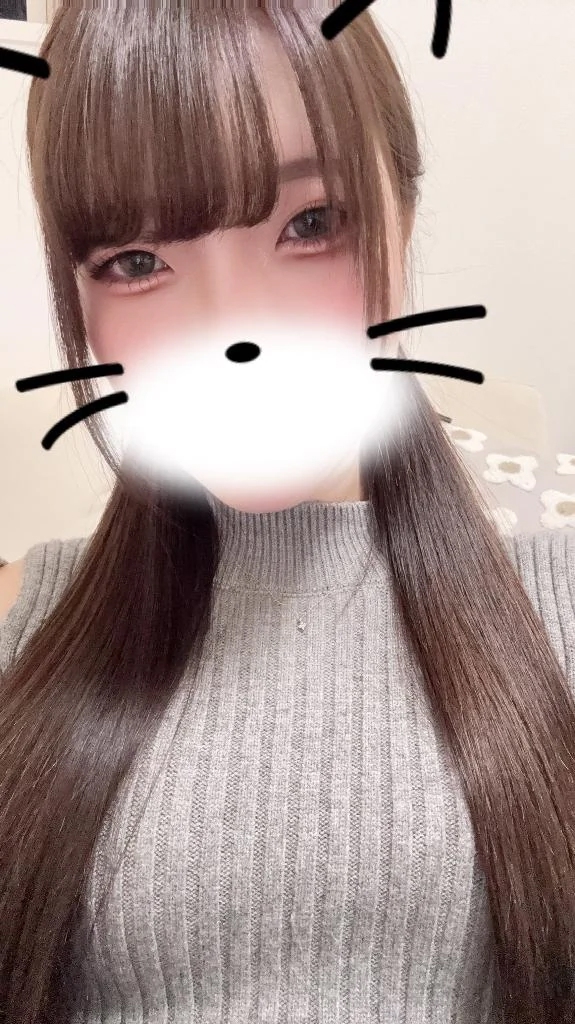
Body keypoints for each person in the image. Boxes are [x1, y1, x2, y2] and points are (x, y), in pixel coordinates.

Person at [0, 4, 574, 1023]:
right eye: (133, 261)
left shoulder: (555, 603)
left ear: (402, 211)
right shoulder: (24, 630)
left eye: (311, 224)